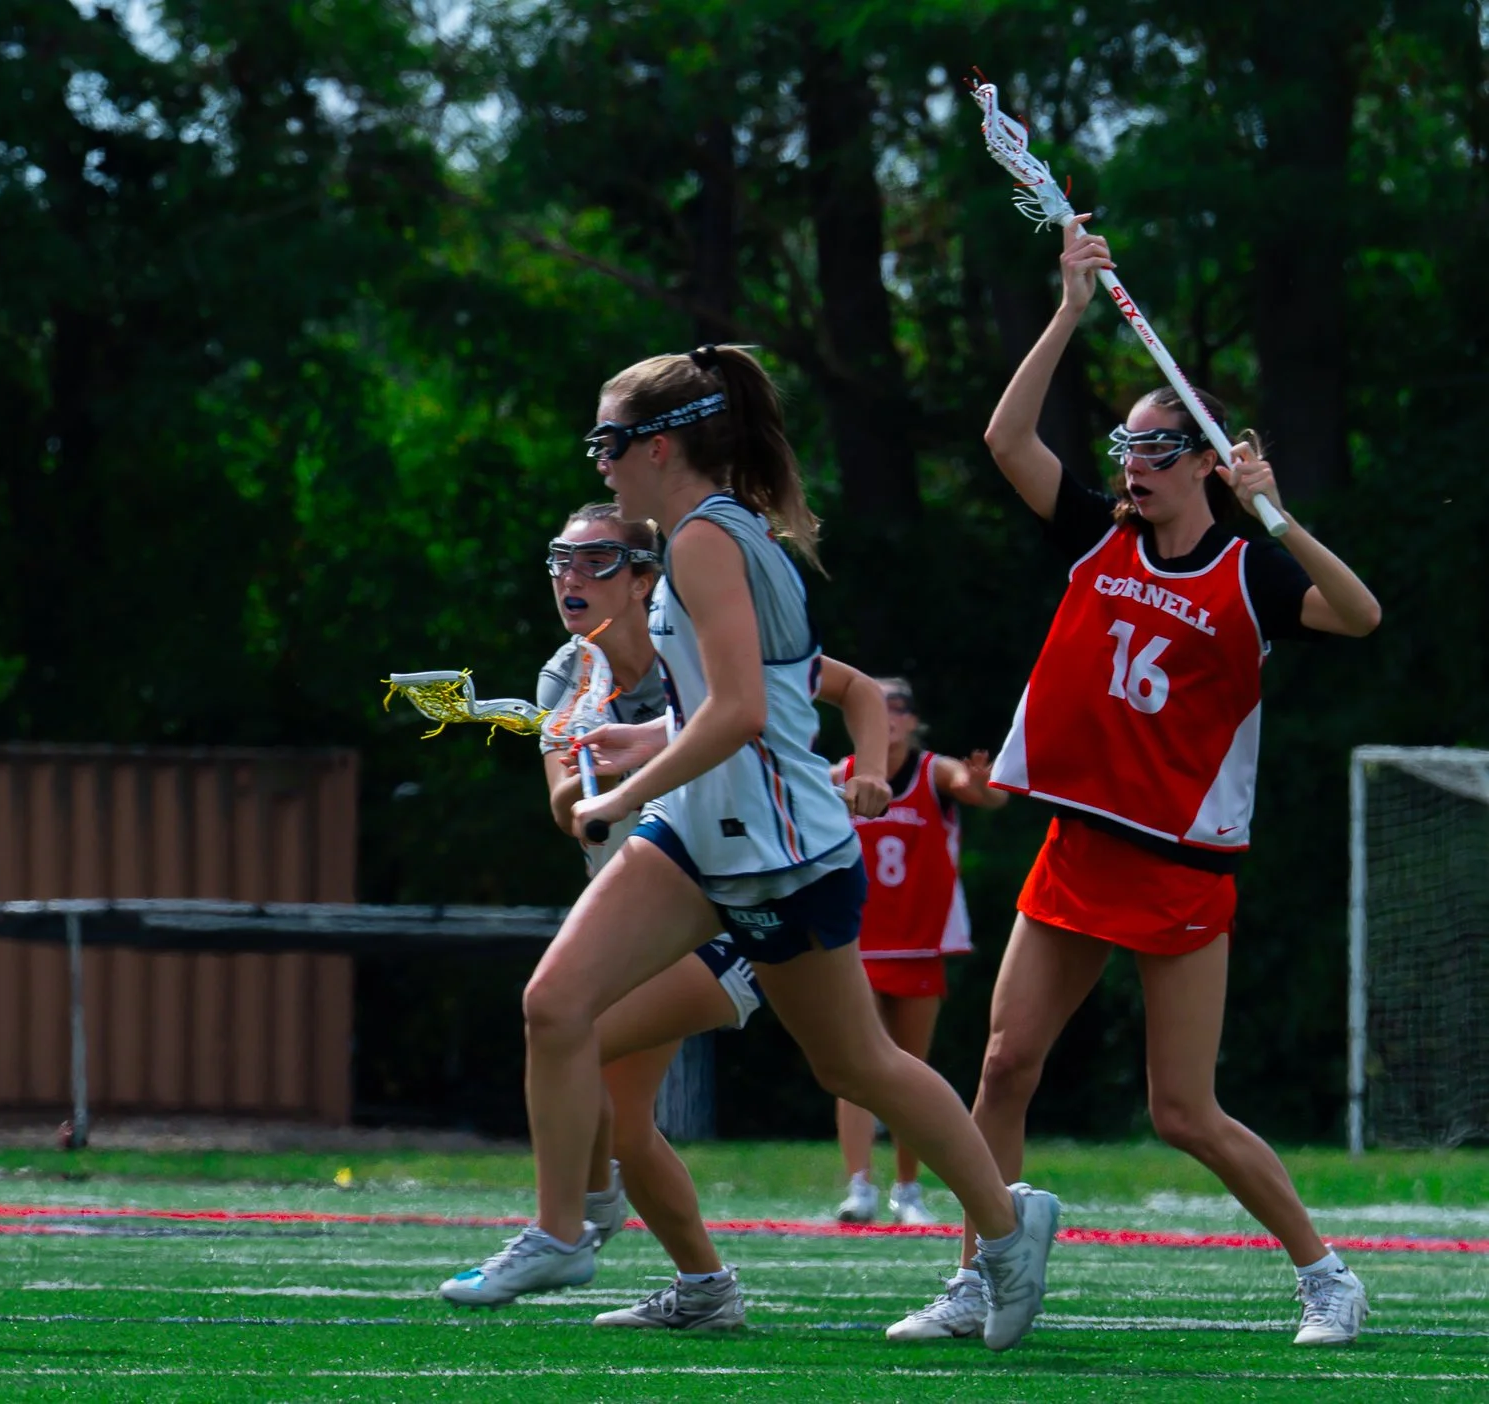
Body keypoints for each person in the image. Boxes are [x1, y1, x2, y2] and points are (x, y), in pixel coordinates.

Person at [887, 216, 1382, 1348]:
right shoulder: (1095, 534)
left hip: (1177, 863)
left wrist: (1279, 514)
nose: (1133, 466)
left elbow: (1357, 616)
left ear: (1207, 459)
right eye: (1124, 447)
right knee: (1003, 1065)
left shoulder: (1251, 574)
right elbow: (1006, 438)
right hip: (1080, 844)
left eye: (1157, 450)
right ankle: (980, 1274)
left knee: (1181, 1110)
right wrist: (1065, 310)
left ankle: (1324, 1276)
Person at [538, 344, 1060, 1353]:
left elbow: (743, 712)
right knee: (558, 1006)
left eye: (609, 441)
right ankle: (569, 1229)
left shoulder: (702, 544)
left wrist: (626, 792)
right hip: (706, 840)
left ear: (659, 446)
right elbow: (744, 702)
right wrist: (641, 745)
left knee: (857, 1065)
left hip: (773, 849)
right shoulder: (708, 537)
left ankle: (1002, 1224)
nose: (598, 463)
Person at [440, 503, 895, 1334]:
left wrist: (873, 770)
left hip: (729, 905)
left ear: (647, 575)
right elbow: (565, 809)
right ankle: (702, 1287)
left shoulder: (697, 638)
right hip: (646, 910)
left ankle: (578, 1211)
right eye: (560, 562)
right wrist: (587, 759)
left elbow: (854, 689)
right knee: (621, 1111)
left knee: (574, 1030)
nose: (570, 579)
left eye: (598, 562)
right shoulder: (564, 675)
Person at [828, 678, 1006, 1227]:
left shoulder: (933, 771)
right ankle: (859, 1187)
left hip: (920, 941)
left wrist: (982, 783)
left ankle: (909, 1190)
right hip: (856, 940)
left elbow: (987, 795)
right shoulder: (841, 774)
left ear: (913, 720)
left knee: (909, 1069)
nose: (890, 717)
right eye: (879, 708)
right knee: (854, 1067)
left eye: (899, 708)